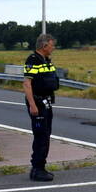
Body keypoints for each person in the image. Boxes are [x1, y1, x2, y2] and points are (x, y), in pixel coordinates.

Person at [23, 33, 60, 181]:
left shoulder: (45, 60)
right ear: (44, 46)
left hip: (46, 102)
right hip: (38, 103)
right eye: (52, 45)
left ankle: (40, 167)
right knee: (41, 136)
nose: (53, 48)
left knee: (45, 135)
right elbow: (27, 84)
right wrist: (32, 105)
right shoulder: (33, 60)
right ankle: (37, 169)